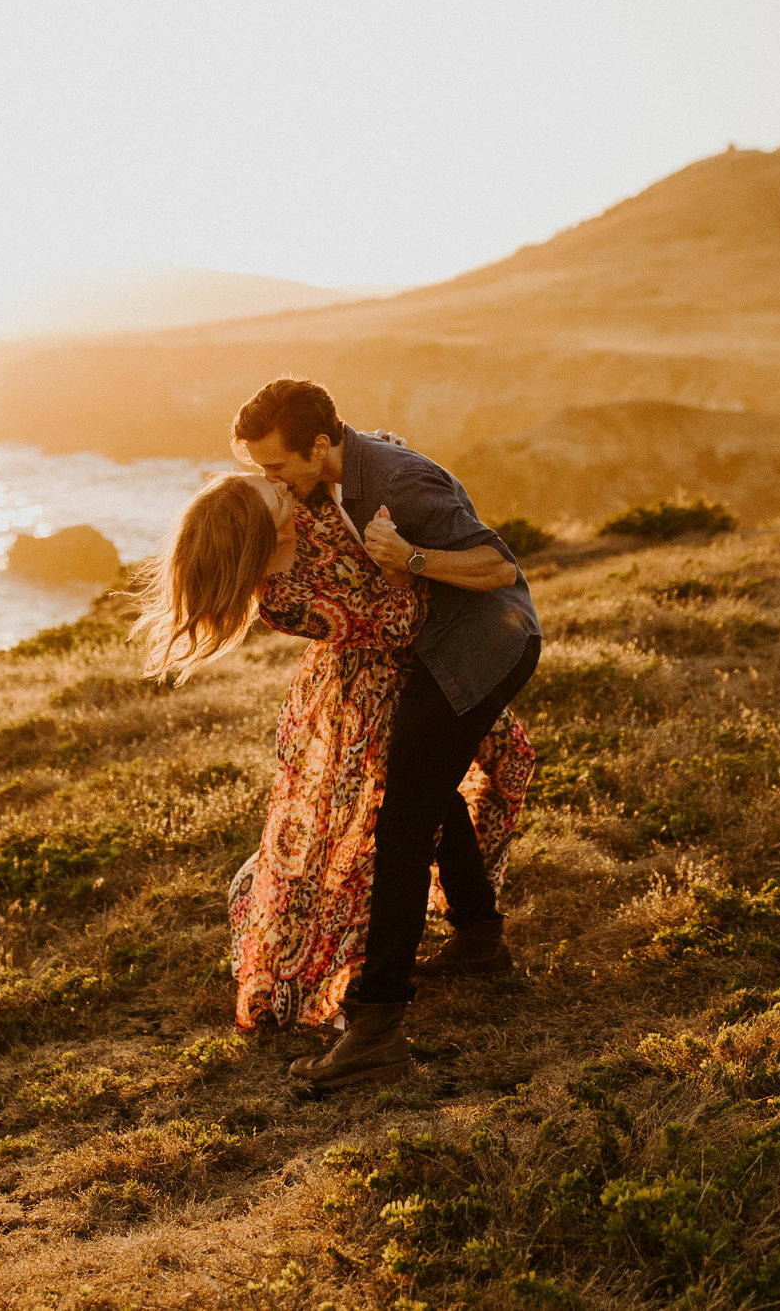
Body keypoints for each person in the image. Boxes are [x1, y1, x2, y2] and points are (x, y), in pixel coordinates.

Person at [130, 468, 533, 1079]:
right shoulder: (282, 596)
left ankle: (478, 937)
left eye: (275, 481)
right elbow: (397, 620)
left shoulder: (308, 517)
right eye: (273, 496)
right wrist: (399, 560)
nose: (285, 491)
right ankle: (440, 966)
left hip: (416, 677)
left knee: (430, 801)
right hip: (366, 703)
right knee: (407, 816)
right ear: (256, 533)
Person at [232, 378, 542, 1091]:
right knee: (425, 788)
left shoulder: (402, 483)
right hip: (432, 650)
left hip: (481, 649)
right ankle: (479, 937)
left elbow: (501, 566)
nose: (270, 479)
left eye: (276, 466)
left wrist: (411, 559)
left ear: (319, 445)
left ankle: (376, 1029)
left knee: (400, 820)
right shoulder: (325, 481)